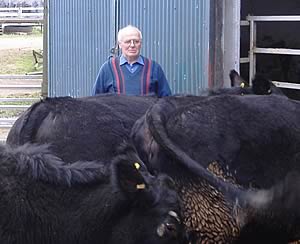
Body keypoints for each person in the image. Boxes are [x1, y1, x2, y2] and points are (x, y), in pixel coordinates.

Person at [92, 25, 171, 97]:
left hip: (147, 112)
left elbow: (167, 100)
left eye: (136, 41)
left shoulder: (154, 68)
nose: (132, 45)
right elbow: (95, 101)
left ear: (141, 44)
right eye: (127, 42)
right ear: (119, 44)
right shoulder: (107, 69)